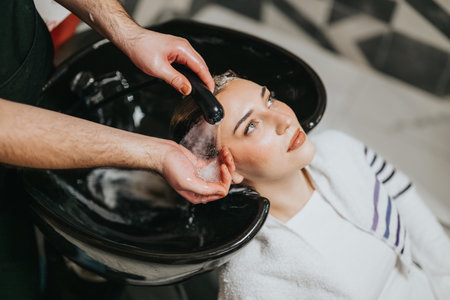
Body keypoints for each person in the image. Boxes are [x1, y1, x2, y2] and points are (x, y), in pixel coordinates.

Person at [0, 1, 232, 299]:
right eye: (248, 126)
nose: (282, 123)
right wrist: (156, 155)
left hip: (26, 72)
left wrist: (130, 33)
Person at [170, 71, 450, 299]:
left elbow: (415, 216)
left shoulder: (343, 150)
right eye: (251, 126)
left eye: (269, 100)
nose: (284, 120)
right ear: (227, 168)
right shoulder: (254, 278)